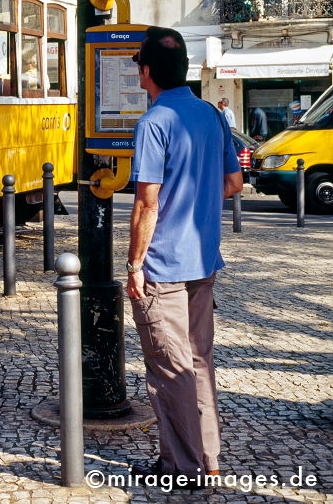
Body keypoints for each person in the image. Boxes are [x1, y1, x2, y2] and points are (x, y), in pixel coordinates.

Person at [127, 27, 243, 489]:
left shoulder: (154, 123)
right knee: (197, 362)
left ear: (147, 71)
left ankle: (184, 470)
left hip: (164, 268)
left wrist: (134, 265)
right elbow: (233, 184)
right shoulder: (210, 116)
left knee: (168, 368)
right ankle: (206, 458)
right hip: (203, 262)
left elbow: (147, 202)